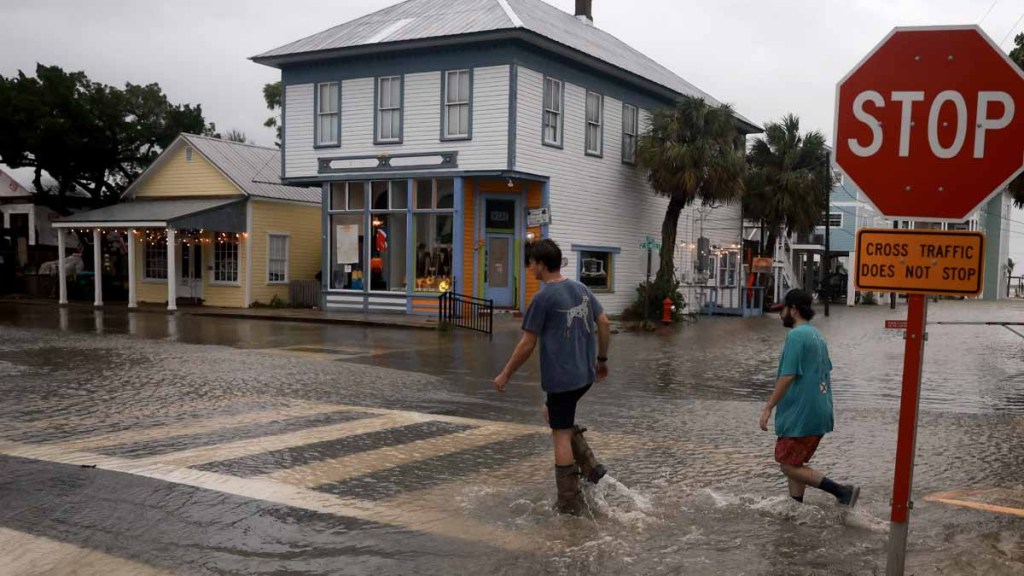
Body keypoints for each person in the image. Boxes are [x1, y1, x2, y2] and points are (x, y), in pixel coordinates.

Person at [494, 239, 611, 515]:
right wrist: (602, 360)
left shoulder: (542, 298)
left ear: (541, 265)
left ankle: (569, 501)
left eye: (531, 262)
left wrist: (505, 374)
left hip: (563, 378)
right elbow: (604, 322)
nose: (529, 267)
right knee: (554, 414)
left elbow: (527, 344)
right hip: (584, 376)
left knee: (559, 433)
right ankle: (591, 467)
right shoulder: (581, 289)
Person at [761, 289, 859, 507]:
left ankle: (842, 492)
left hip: (802, 413)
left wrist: (768, 407)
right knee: (795, 464)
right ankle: (795, 508)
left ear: (793, 311)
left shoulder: (795, 336)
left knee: (787, 464)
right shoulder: (817, 335)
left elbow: (788, 376)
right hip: (820, 411)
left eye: (783, 310)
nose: (780, 315)